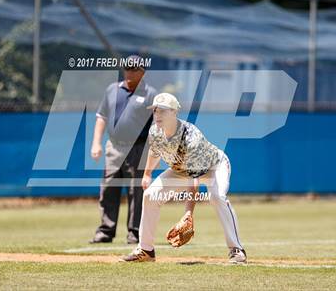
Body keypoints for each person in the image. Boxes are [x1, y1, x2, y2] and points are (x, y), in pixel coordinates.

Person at [120, 93, 247, 263]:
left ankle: (237, 250)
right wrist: (147, 174)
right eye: (155, 111)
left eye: (162, 111)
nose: (157, 115)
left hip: (214, 166)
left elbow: (193, 180)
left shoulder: (191, 138)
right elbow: (154, 151)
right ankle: (146, 250)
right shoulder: (155, 131)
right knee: (150, 195)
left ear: (174, 112)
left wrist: (188, 213)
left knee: (217, 197)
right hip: (180, 170)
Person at [90, 55, 157, 244]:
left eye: (134, 68)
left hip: (138, 148)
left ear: (142, 72)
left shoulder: (150, 94)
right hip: (114, 147)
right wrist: (96, 143)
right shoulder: (112, 90)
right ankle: (105, 231)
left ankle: (135, 232)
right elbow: (101, 116)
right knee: (109, 188)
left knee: (136, 191)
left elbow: (157, 125)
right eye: (127, 68)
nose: (129, 71)